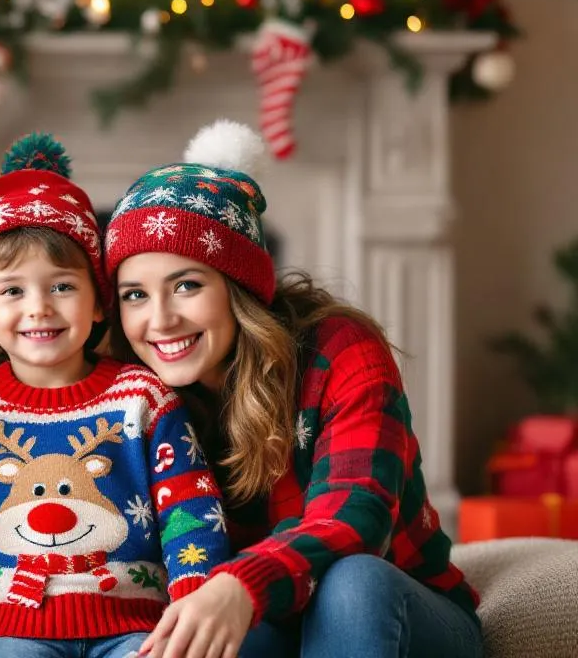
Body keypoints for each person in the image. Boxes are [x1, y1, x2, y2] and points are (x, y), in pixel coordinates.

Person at [102, 120, 481, 658]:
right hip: (273, 622)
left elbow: (356, 514)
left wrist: (241, 582)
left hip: (400, 614)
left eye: (187, 285)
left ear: (238, 287)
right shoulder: (133, 394)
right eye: (135, 295)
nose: (160, 320)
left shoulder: (339, 349)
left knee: (353, 584)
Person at [0, 135, 231, 658]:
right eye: (12, 290)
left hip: (136, 624)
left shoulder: (143, 398)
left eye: (62, 286)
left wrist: (191, 608)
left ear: (98, 303)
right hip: (14, 628)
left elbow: (190, 507)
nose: (39, 308)